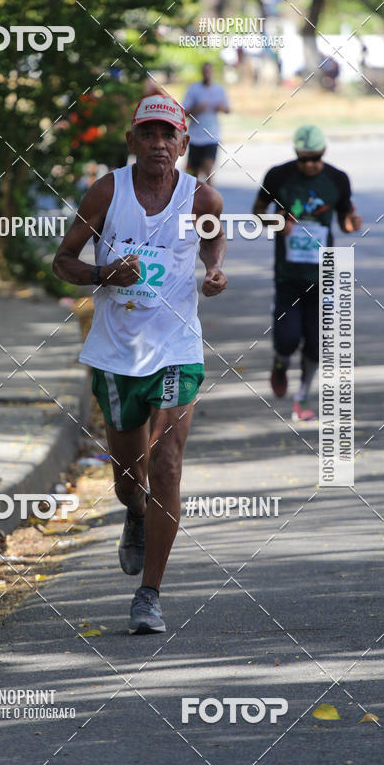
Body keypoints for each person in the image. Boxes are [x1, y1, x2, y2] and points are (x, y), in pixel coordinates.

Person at [53, 94, 228, 634]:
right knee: (131, 476)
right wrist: (104, 275)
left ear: (183, 144)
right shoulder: (108, 190)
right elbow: (63, 261)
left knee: (169, 461)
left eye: (167, 135)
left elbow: (212, 242)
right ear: (132, 142)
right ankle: (134, 511)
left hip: (178, 346)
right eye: (147, 135)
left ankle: (149, 593)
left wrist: (215, 270)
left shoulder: (202, 199)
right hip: (117, 352)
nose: (158, 144)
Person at [252, 125, 362, 421]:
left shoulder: (338, 180)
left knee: (317, 342)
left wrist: (353, 222)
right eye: (303, 159)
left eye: (314, 158)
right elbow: (257, 211)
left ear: (323, 153)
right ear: (296, 155)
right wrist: (276, 223)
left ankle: (302, 396)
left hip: (322, 276)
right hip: (288, 274)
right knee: (287, 338)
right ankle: (280, 362)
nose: (309, 164)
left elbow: (345, 221)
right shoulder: (278, 176)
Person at [183, 62, 230, 185]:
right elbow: (184, 112)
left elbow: (228, 109)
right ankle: (195, 200)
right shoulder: (193, 89)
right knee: (193, 173)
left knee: (209, 170)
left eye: (209, 71)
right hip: (195, 137)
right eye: (205, 71)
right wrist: (198, 108)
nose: (207, 74)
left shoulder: (219, 89)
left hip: (212, 136)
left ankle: (211, 201)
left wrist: (221, 108)